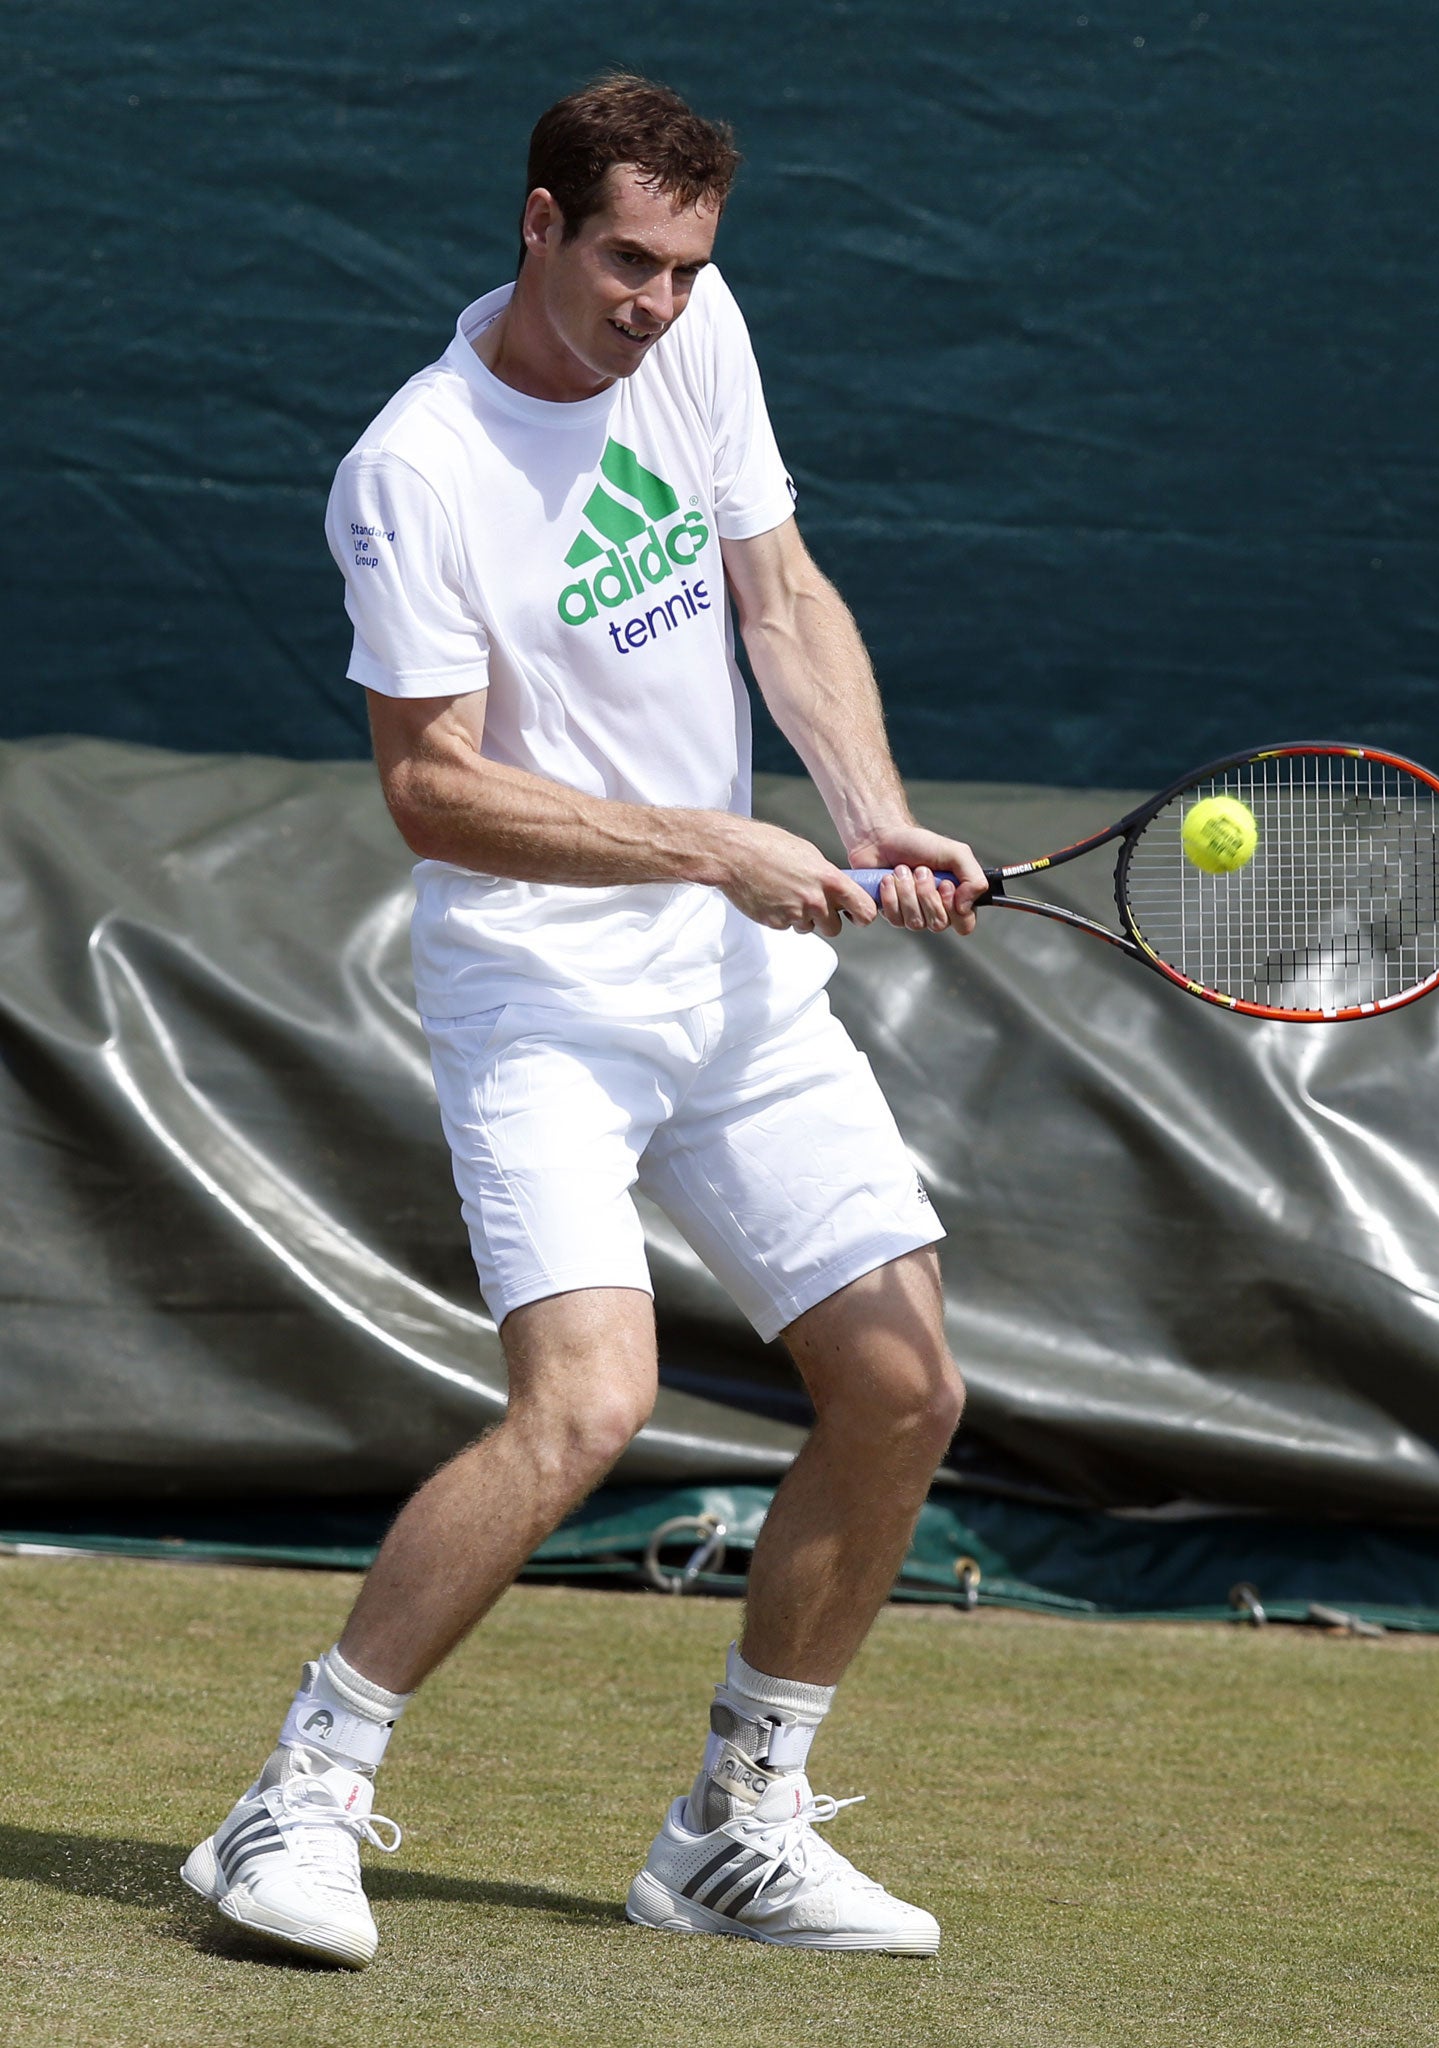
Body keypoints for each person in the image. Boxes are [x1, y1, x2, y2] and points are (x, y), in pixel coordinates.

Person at [181, 73, 987, 1965]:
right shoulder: (417, 467)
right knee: (588, 1409)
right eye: (627, 259)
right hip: (539, 995)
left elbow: (775, 590)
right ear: (537, 226)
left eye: (690, 267)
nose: (657, 303)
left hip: (735, 989)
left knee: (901, 1387)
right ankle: (296, 1797)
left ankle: (736, 1826)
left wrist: (860, 807)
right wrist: (712, 845)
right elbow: (432, 789)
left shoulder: (695, 349)